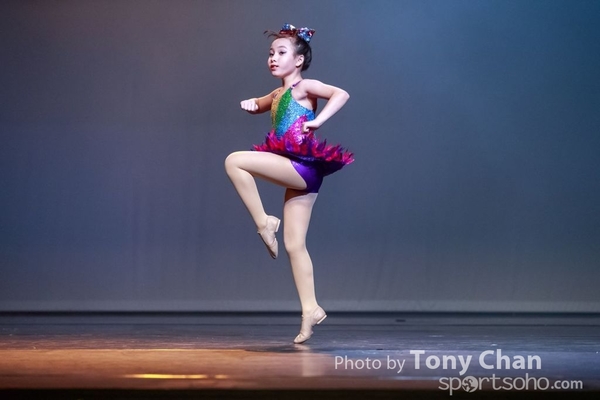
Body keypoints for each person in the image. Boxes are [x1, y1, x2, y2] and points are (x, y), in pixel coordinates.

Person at [224, 23, 354, 344]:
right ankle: (310, 309)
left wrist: (319, 120)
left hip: (301, 166)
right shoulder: (277, 93)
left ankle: (264, 222)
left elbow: (341, 94)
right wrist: (251, 103)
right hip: (302, 174)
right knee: (295, 245)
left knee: (234, 161)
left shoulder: (304, 86)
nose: (273, 58)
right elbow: (261, 103)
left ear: (298, 60)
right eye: (270, 53)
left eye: (281, 52)